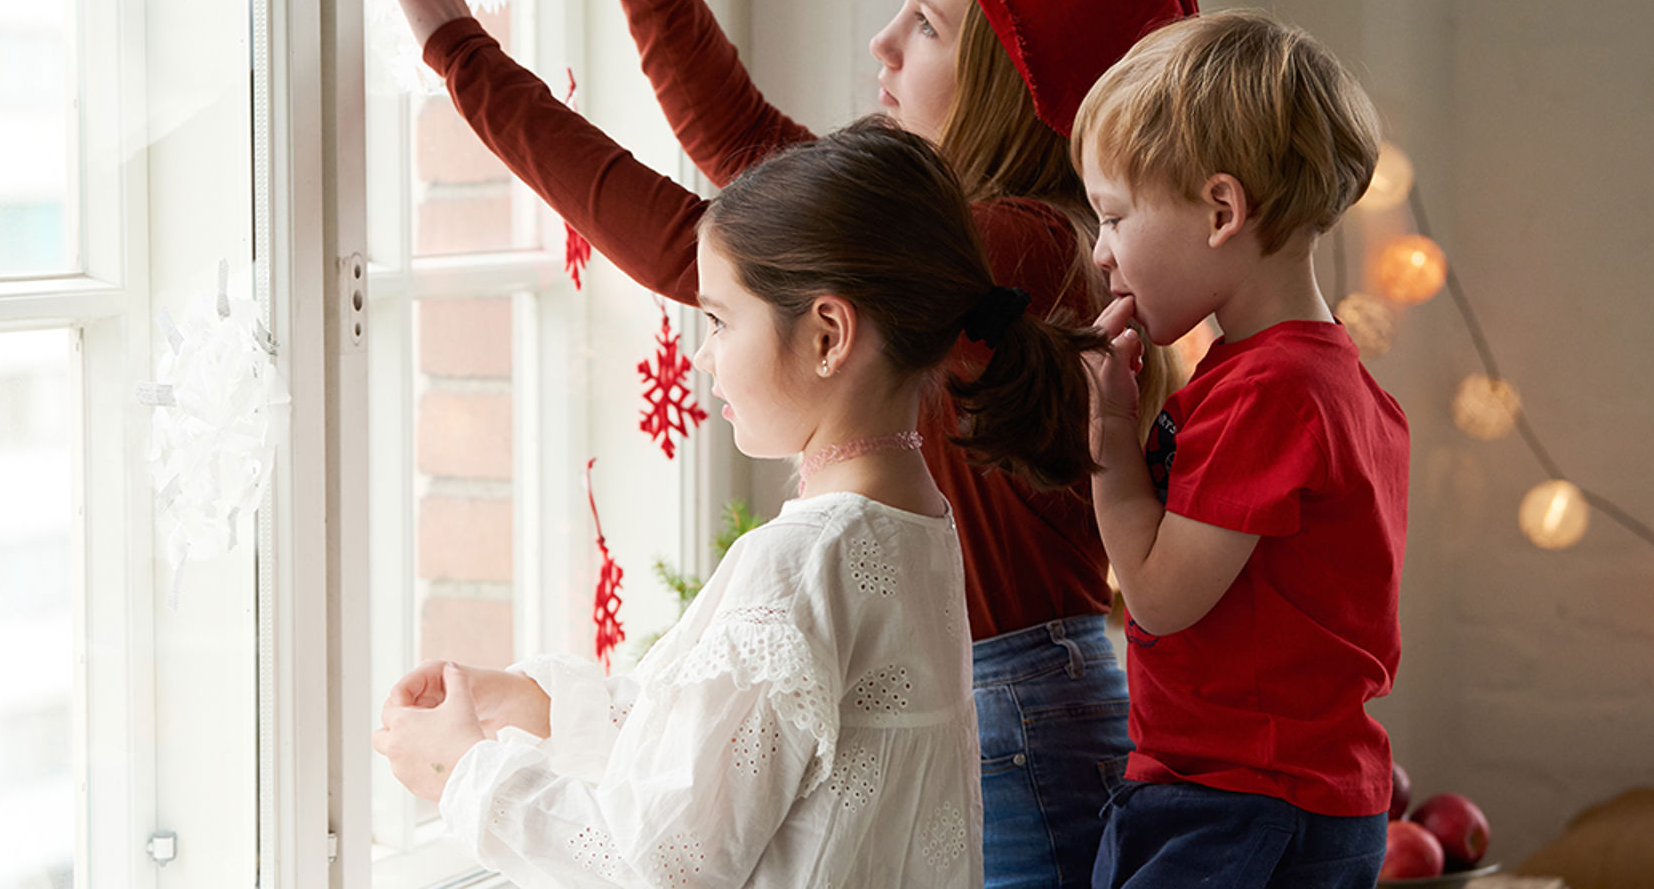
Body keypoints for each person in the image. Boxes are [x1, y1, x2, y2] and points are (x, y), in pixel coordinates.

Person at [376, 0, 1197, 881]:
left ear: (1024, 79)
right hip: (1016, 706)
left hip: (1018, 726)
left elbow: (719, 242)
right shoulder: (969, 257)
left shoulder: (1021, 248)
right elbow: (746, 153)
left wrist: (460, 50)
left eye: (927, 25)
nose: (882, 45)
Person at [373, 117, 1111, 888]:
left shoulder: (801, 564)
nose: (701, 354)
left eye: (721, 320)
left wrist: (464, 774)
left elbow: (660, 861)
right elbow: (738, 745)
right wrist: (537, 705)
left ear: (828, 335)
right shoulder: (916, 523)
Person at [1073, 8, 1409, 888]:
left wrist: (1109, 439)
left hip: (1241, 805)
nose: (1102, 254)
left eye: (1111, 217)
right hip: (1272, 797)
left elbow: (1158, 598)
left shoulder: (1272, 394)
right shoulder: (1319, 381)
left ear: (1221, 209)